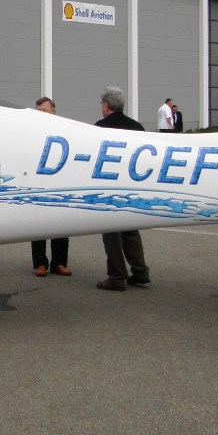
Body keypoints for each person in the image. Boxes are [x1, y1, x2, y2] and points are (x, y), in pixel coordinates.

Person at [95, 87, 151, 291]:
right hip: (132, 185)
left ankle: (117, 276)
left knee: (111, 234)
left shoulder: (100, 128)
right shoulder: (136, 126)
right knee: (131, 230)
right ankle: (140, 271)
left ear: (106, 105)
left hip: (110, 186)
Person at [29, 96, 70, 277]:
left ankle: (59, 263)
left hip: (60, 181)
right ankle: (40, 263)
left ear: (53, 111)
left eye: (44, 111)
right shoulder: (32, 133)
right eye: (38, 111)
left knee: (60, 224)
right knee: (38, 224)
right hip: (39, 183)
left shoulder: (66, 129)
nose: (41, 114)